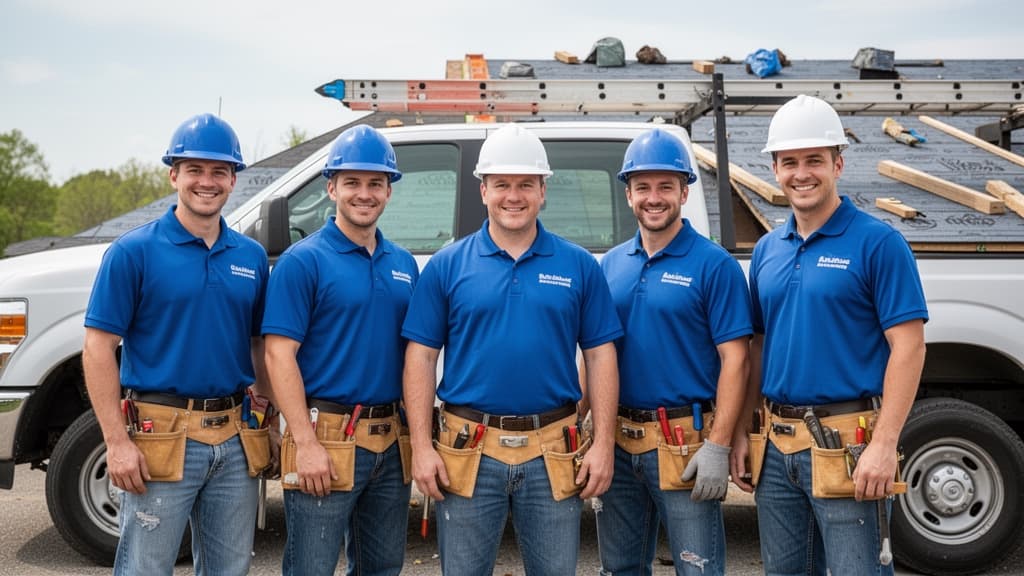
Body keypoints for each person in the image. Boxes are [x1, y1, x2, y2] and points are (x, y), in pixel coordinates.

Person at [402, 124, 623, 575]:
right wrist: (423, 447)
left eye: (526, 184)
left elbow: (601, 356)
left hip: (553, 451)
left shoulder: (578, 265)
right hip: (468, 449)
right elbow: (420, 358)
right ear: (483, 190)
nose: (513, 196)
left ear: (544, 190)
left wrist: (602, 443)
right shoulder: (448, 265)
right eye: (501, 184)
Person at [731, 94, 928, 575]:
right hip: (777, 448)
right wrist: (741, 429)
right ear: (776, 169)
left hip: (850, 443)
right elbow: (758, 345)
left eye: (814, 160)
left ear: (838, 163)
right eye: (790, 162)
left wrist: (884, 445)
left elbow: (909, 346)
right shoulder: (766, 251)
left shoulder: (878, 243)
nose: (802, 173)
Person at [82, 113, 270, 576]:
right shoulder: (133, 252)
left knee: (230, 570)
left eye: (219, 172)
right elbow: (98, 348)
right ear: (174, 175)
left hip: (234, 437)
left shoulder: (250, 257)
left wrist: (270, 417)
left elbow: (260, 345)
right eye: (195, 171)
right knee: (145, 568)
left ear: (233, 180)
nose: (207, 182)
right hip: (159, 437)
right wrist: (116, 443)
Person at [261, 125, 418, 576]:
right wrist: (304, 443)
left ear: (389, 190)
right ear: (331, 188)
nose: (363, 194)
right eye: (352, 182)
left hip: (391, 439)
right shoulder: (302, 261)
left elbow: (415, 358)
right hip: (325, 436)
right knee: (311, 567)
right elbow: (278, 356)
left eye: (375, 183)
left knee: (382, 567)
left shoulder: (404, 265)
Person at [595, 128, 752, 576]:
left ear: (684, 191)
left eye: (666, 186)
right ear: (628, 194)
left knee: (697, 568)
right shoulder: (610, 266)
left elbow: (736, 360)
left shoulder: (714, 265)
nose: (654, 197)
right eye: (643, 187)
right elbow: (597, 356)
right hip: (620, 442)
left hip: (687, 443)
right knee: (619, 568)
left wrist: (719, 446)